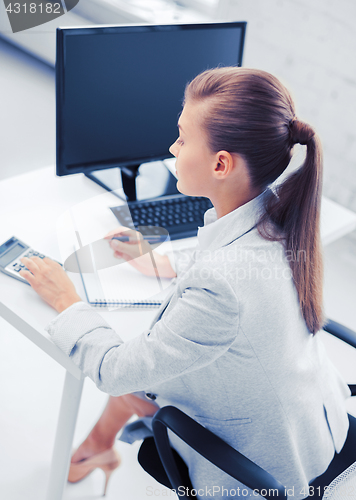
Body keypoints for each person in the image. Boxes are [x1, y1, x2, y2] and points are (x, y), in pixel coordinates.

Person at [20, 67, 350, 499]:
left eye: (182, 137)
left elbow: (113, 371)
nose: (172, 147)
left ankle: (94, 448)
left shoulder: (222, 283)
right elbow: (243, 283)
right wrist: (171, 269)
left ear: (221, 164)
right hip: (315, 420)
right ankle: (98, 448)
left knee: (134, 378)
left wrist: (66, 298)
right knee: (148, 371)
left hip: (266, 463)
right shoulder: (281, 214)